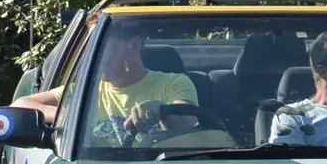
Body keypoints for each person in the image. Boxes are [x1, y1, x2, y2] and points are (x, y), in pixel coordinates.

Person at [13, 19, 200, 145]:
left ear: (133, 45)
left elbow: (187, 125)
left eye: (100, 48)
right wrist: (65, 115)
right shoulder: (83, 91)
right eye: (88, 51)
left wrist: (162, 111)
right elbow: (21, 104)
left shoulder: (174, 84)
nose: (91, 59)